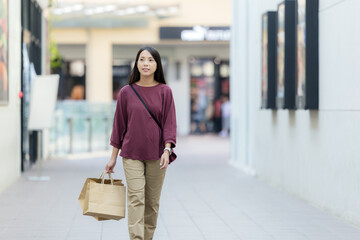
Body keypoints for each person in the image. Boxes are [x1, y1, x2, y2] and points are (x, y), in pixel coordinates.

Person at [105, 46, 177, 240]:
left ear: (157, 64)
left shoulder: (165, 91)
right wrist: (113, 158)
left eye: (150, 60)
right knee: (136, 199)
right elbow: (118, 126)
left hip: (157, 155)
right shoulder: (126, 92)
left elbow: (170, 123)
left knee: (152, 202)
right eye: (142, 59)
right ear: (136, 63)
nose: (146, 63)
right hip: (131, 154)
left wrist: (167, 150)